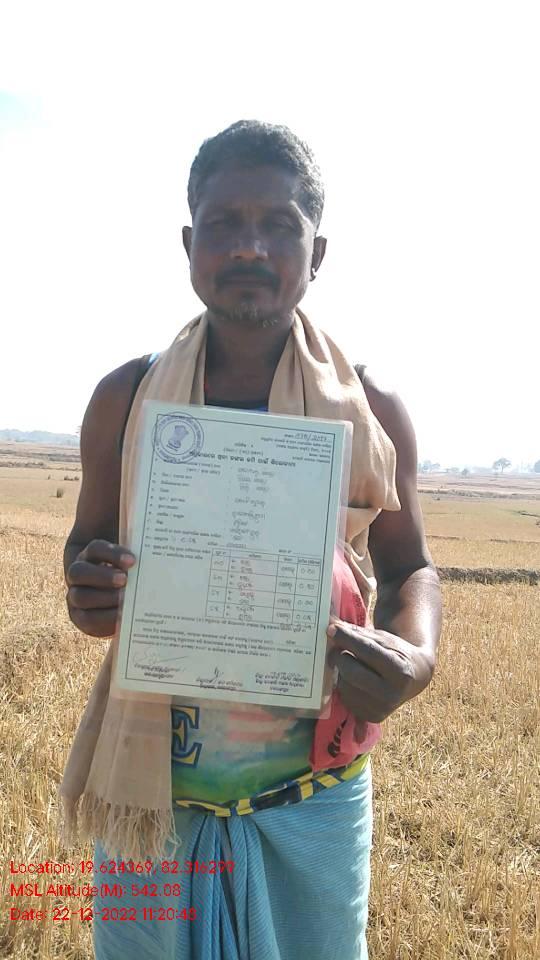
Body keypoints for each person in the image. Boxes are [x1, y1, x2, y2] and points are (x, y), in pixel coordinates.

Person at [61, 120, 442, 960]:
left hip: (314, 794)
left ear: (318, 252)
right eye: (224, 223)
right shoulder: (126, 399)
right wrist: (89, 590)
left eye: (278, 225)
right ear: (188, 243)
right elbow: (85, 553)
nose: (249, 246)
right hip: (153, 795)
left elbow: (409, 566)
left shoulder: (371, 408)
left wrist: (414, 657)